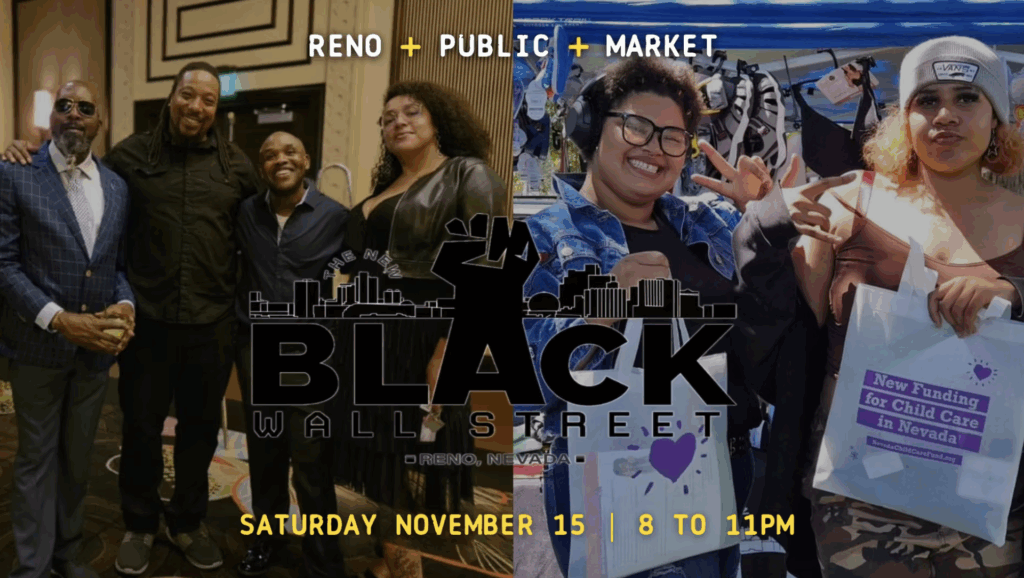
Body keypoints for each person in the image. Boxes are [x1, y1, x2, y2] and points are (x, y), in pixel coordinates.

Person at [734, 36, 1024, 577]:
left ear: (996, 119)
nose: (946, 116)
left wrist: (1014, 294)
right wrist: (763, 221)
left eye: (967, 98)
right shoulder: (848, 203)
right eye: (927, 100)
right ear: (903, 118)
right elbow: (781, 333)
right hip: (863, 504)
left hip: (994, 502)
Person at [519, 56, 775, 578]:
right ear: (591, 129)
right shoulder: (541, 238)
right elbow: (529, 382)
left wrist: (770, 222)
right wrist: (608, 303)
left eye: (672, 138)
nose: (654, 148)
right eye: (636, 126)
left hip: (724, 461)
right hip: (615, 466)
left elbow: (784, 327)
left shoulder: (713, 223)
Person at [2, 61, 261, 573]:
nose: (196, 106)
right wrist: (19, 148)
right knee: (139, 429)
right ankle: (140, 524)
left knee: (199, 431)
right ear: (172, 97)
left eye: (208, 100)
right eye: (188, 95)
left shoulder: (238, 166)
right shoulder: (130, 160)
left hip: (209, 325)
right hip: (146, 326)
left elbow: (253, 241)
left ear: (216, 108)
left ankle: (188, 522)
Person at [328, 81, 507, 578]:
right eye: (387, 117)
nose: (397, 121)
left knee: (411, 462)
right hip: (363, 342)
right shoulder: (382, 190)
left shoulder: (468, 174)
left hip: (422, 340)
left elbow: (486, 269)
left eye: (411, 112)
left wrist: (448, 351)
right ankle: (392, 564)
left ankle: (407, 570)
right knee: (379, 463)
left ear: (439, 121)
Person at [0, 80, 134, 578]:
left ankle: (68, 553)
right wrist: (59, 319)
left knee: (79, 457)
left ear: (101, 123)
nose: (74, 114)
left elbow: (117, 264)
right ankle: (32, 567)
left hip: (96, 352)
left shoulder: (118, 186)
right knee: (36, 458)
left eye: (86, 108)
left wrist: (125, 303)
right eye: (64, 106)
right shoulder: (14, 174)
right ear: (49, 119)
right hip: (37, 345)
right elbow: (5, 264)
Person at [233, 131, 349, 577]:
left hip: (310, 357)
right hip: (257, 350)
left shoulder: (336, 216)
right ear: (261, 167)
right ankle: (267, 543)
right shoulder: (246, 212)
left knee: (311, 461)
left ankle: (323, 561)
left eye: (288, 152)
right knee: (263, 456)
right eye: (268, 155)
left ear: (306, 160)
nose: (279, 160)